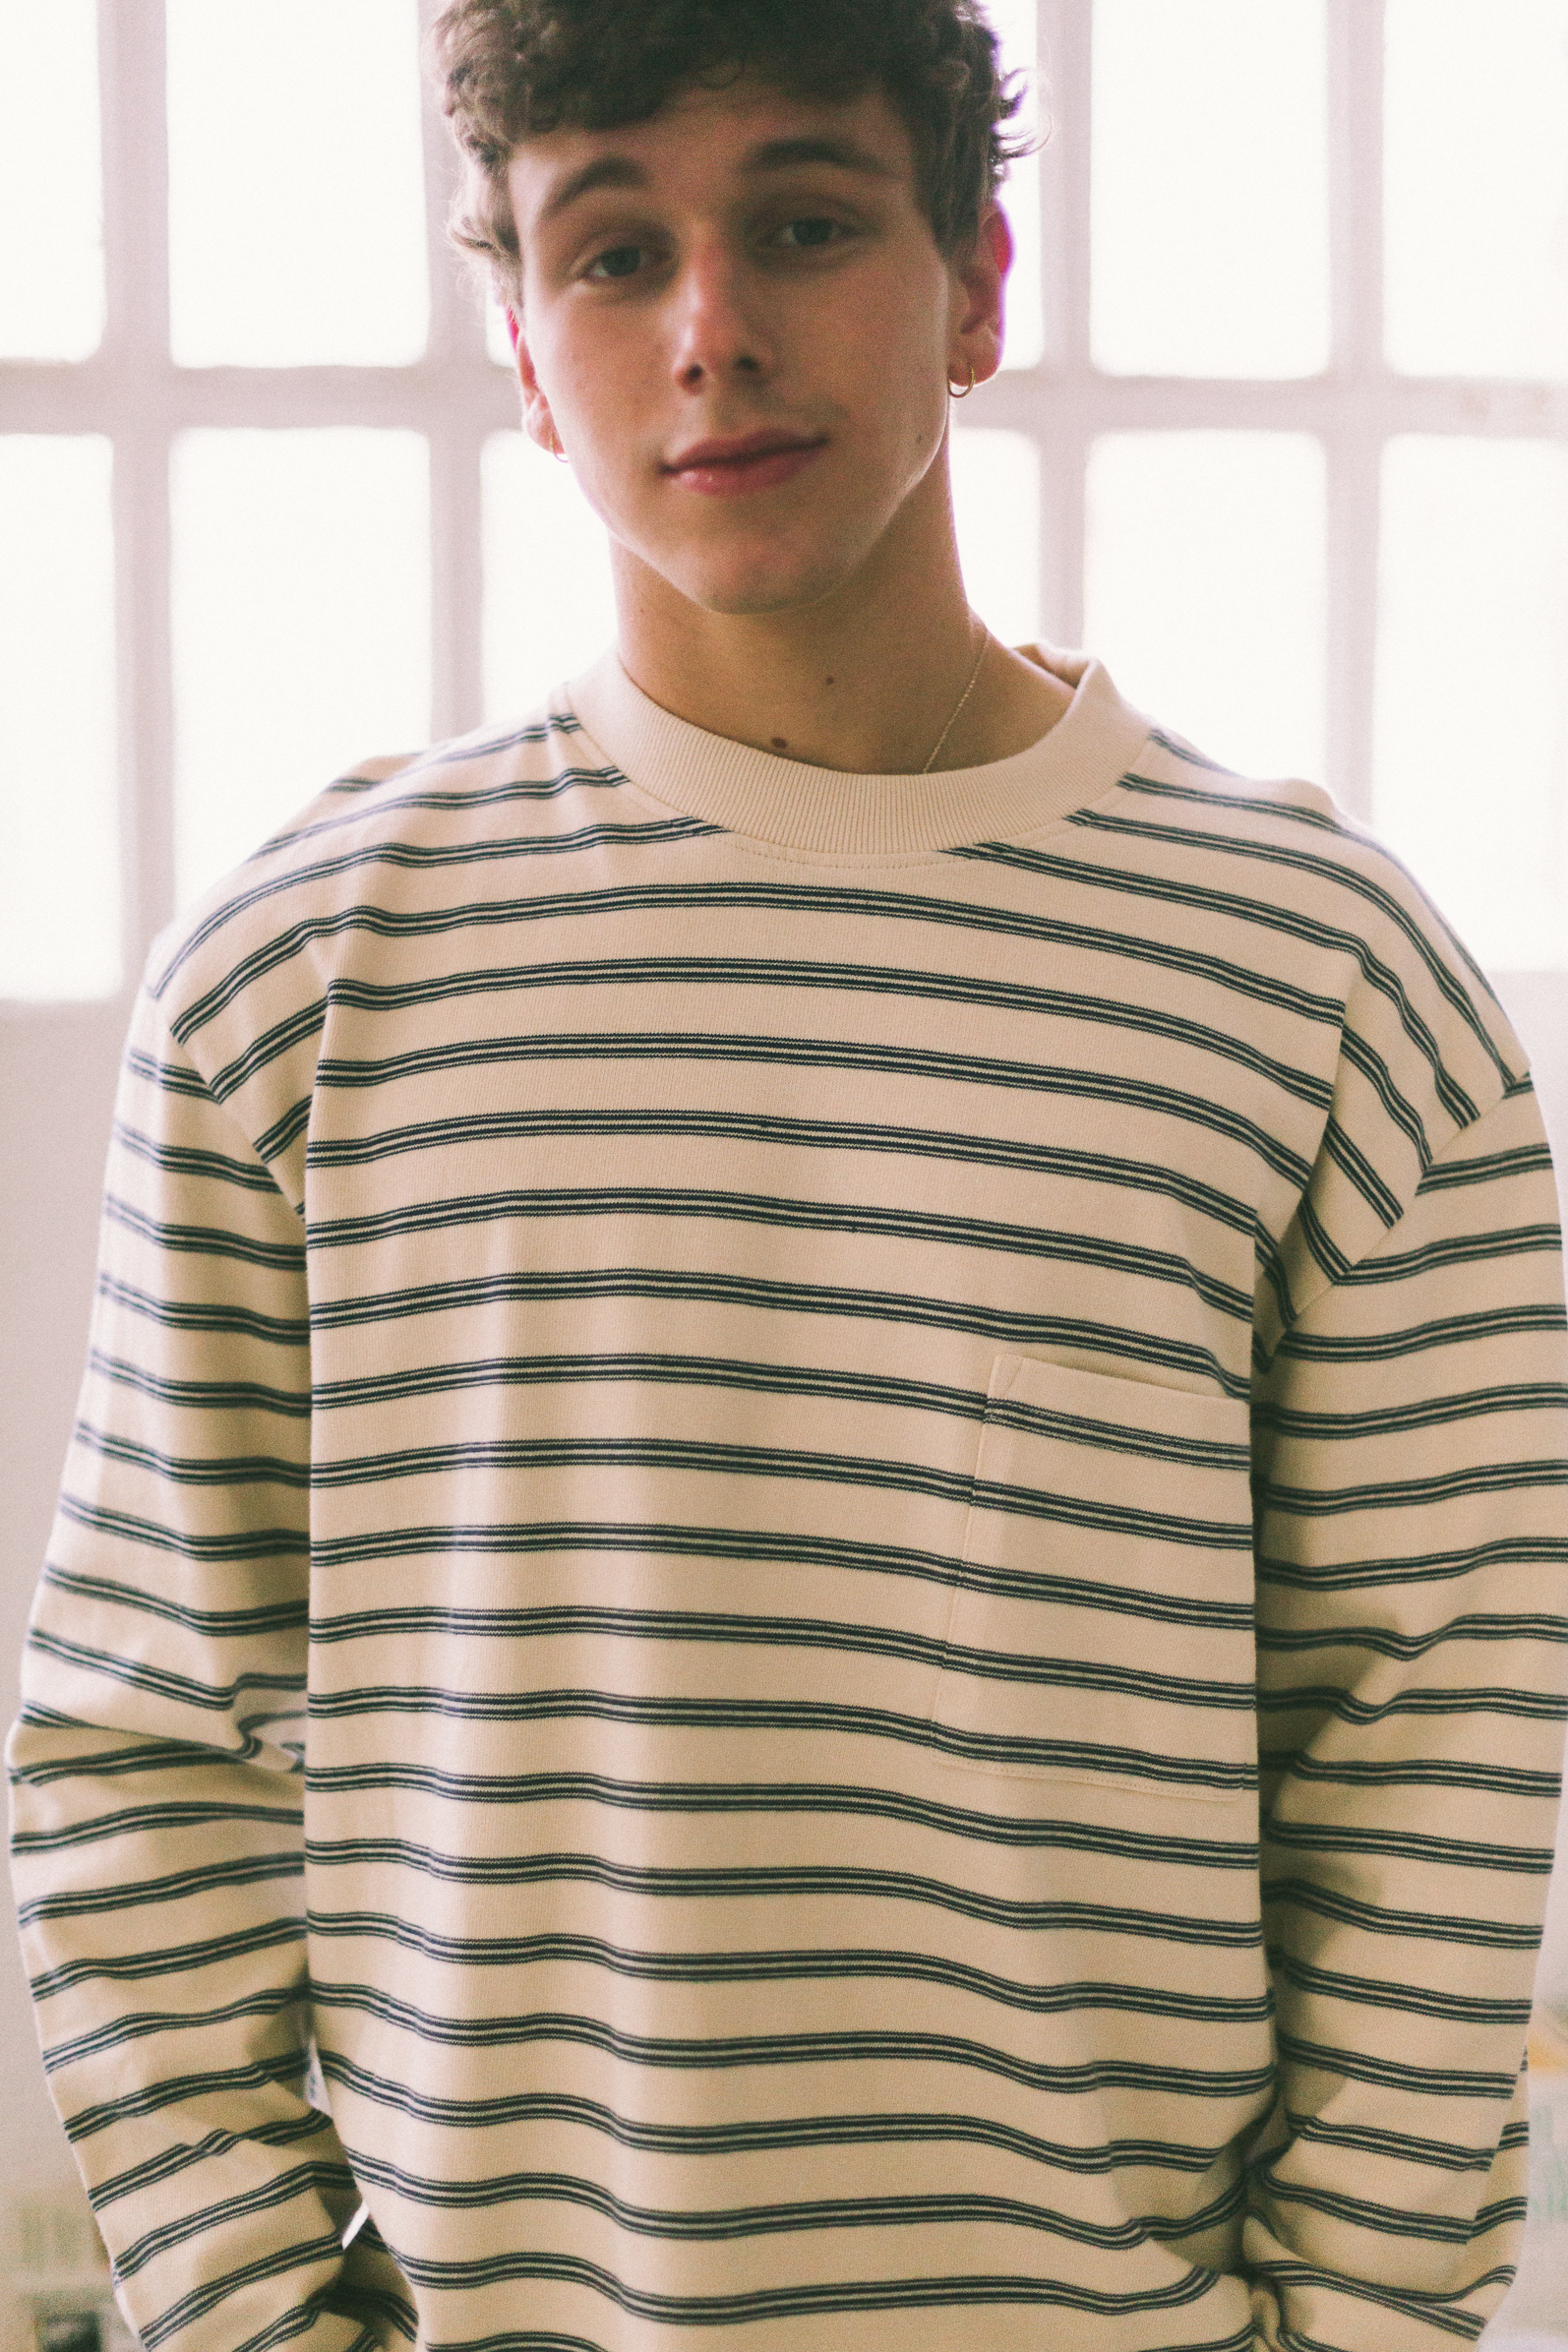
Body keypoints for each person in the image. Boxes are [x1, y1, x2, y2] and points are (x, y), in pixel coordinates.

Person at [10, 1, 1568, 2346]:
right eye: (612, 252)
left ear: (976, 280)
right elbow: (142, 1760)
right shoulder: (296, 979)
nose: (709, 331)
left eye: (806, 224)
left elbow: (1431, 1757)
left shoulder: (1326, 982)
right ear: (523, 349)